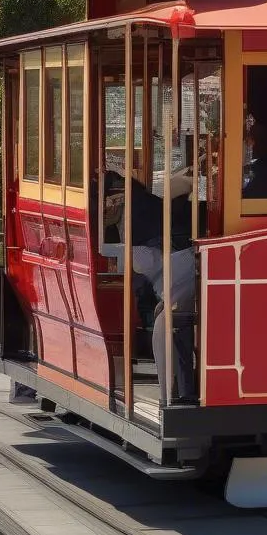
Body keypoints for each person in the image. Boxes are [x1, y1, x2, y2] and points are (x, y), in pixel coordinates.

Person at [105, 169, 197, 404]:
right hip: (177, 283)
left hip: (178, 284)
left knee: (165, 329)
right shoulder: (155, 211)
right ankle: (175, 393)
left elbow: (141, 263)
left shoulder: (137, 216)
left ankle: (172, 396)